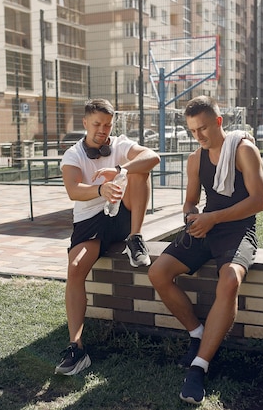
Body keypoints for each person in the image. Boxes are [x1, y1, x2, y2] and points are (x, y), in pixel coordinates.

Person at [147, 95, 263, 404]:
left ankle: (199, 366)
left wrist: (213, 217)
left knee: (229, 281)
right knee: (158, 272)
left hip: (237, 229)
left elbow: (259, 201)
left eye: (203, 129)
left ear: (218, 121)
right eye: (192, 131)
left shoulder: (244, 151)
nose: (198, 136)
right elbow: (189, 201)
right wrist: (191, 217)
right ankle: (197, 332)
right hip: (206, 227)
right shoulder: (194, 159)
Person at [55, 98, 160, 376]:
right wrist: (101, 190)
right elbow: (74, 190)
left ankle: (136, 238)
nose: (103, 129)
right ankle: (76, 348)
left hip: (121, 215)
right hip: (90, 220)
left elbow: (153, 157)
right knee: (75, 268)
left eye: (107, 124)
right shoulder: (73, 154)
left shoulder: (120, 144)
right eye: (97, 124)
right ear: (85, 123)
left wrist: (121, 170)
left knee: (140, 169)